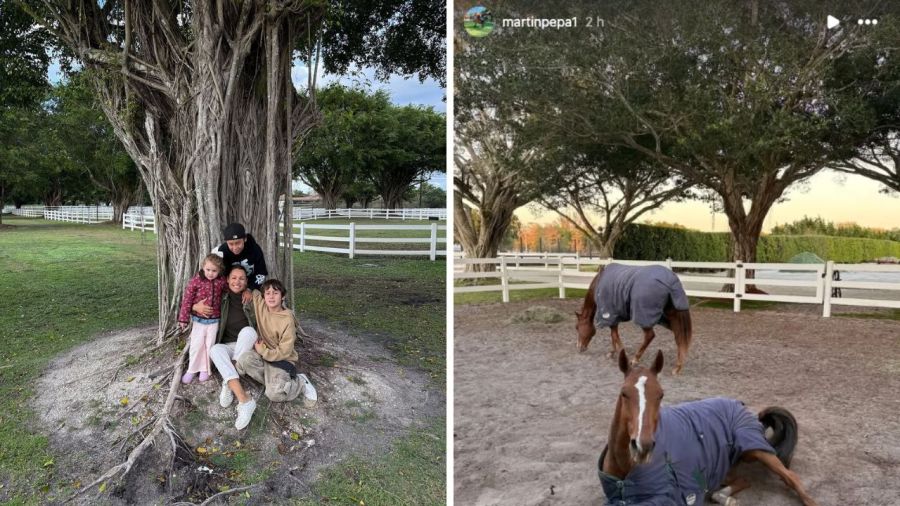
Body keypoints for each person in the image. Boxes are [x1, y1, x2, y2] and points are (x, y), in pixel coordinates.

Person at [236, 278, 316, 405]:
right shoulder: (261, 304)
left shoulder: (287, 319)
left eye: (276, 293)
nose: (271, 296)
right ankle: (274, 382)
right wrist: (247, 290)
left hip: (281, 360)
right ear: (264, 296)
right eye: (268, 293)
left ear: (283, 296)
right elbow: (250, 286)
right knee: (244, 360)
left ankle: (300, 382)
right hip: (263, 356)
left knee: (274, 395)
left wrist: (264, 351)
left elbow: (285, 351)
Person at [205, 265, 258, 430]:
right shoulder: (221, 296)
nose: (237, 281)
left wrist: (250, 291)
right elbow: (195, 297)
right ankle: (245, 400)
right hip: (228, 347)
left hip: (246, 345)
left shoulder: (252, 297)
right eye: (234, 278)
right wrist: (194, 307)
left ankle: (229, 382)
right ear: (227, 280)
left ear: (246, 282)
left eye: (242, 278)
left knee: (248, 331)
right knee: (214, 350)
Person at [177, 254, 228, 384]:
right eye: (208, 270)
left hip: (214, 321)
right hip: (198, 320)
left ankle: (205, 369)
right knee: (196, 345)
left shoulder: (221, 282)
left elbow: (230, 290)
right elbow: (187, 300)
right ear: (203, 268)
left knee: (209, 345)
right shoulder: (196, 281)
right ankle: (192, 369)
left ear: (220, 270)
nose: (211, 273)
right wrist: (183, 319)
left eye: (214, 271)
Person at [212, 222, 268, 290]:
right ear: (226, 242)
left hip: (251, 286)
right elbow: (215, 272)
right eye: (231, 244)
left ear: (245, 239)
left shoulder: (255, 249)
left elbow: (261, 273)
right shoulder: (221, 252)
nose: (235, 248)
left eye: (238, 243)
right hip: (230, 287)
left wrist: (250, 289)